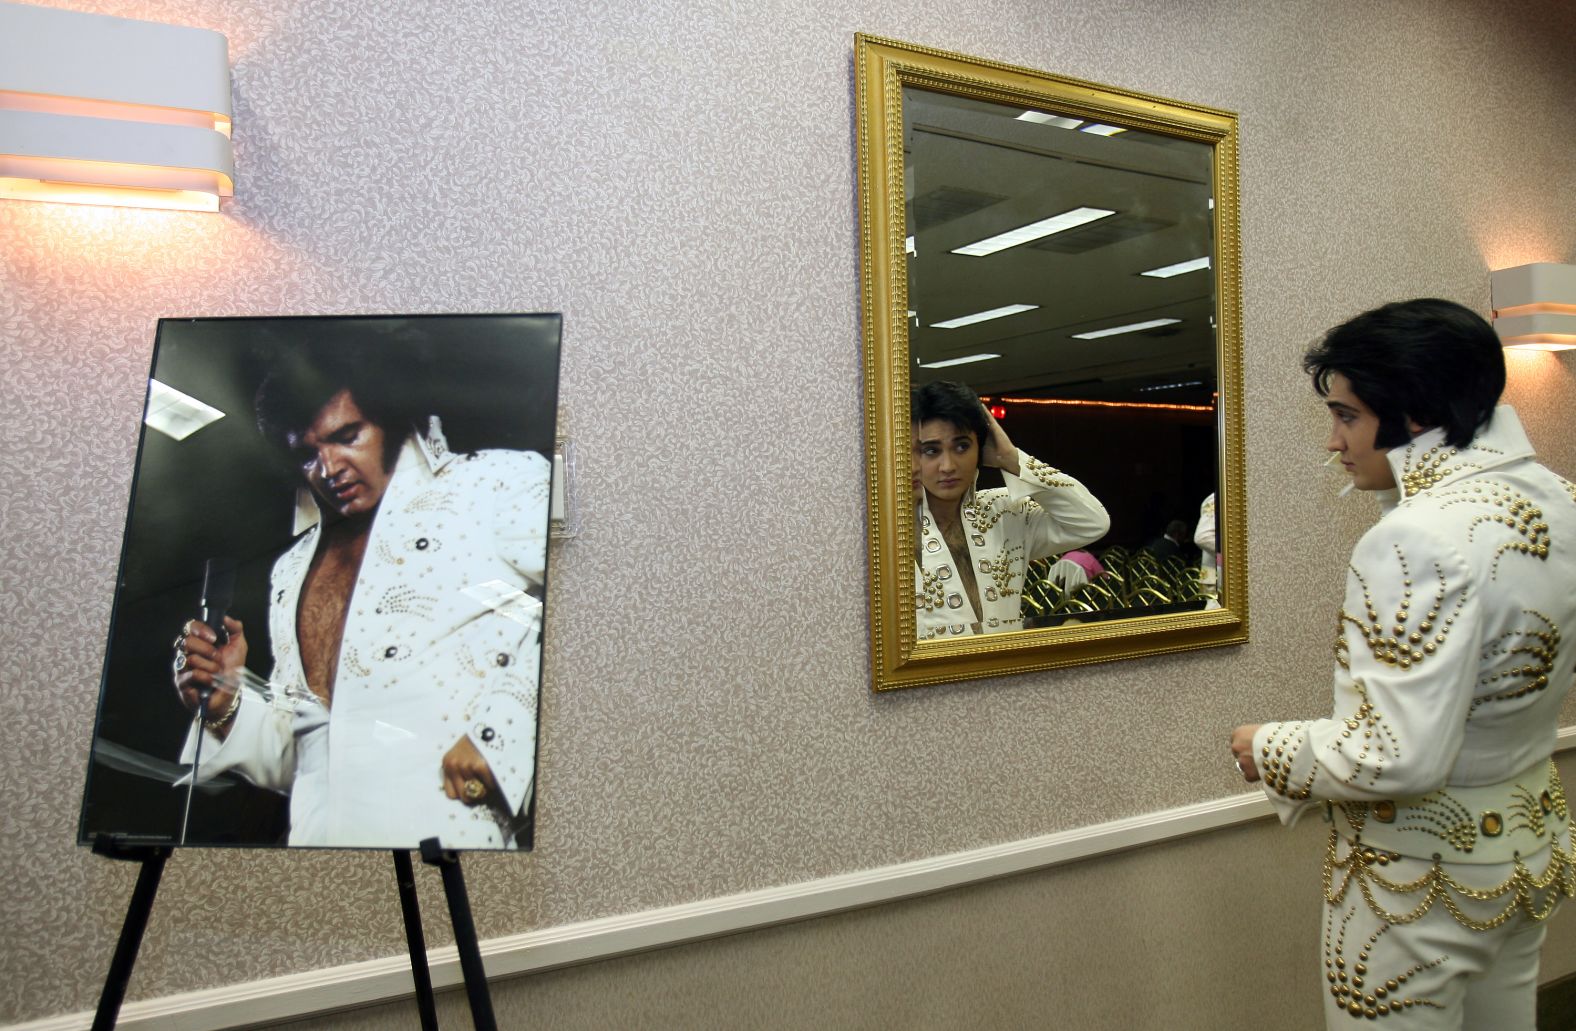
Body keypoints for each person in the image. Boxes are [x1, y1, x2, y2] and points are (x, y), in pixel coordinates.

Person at [1229, 299, 1576, 1027]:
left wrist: (1270, 747)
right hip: (1523, 857)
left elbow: (1396, 756)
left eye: (1346, 415)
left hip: (1413, 884)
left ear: (1413, 415)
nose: (1333, 440)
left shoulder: (1413, 538)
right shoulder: (1560, 499)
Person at [172, 349, 550, 848]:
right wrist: (227, 702)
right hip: (320, 859)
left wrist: (503, 730)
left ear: (391, 421)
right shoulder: (293, 568)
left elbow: (594, 604)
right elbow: (306, 751)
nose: (329, 468)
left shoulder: (492, 483)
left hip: (451, 846)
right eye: (307, 454)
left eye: (347, 437)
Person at [911, 381, 1108, 638]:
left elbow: (1093, 522)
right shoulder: (889, 532)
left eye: (961, 446)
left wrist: (1010, 458)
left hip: (1008, 673)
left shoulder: (1005, 512)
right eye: (931, 450)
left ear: (980, 449)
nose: (947, 465)